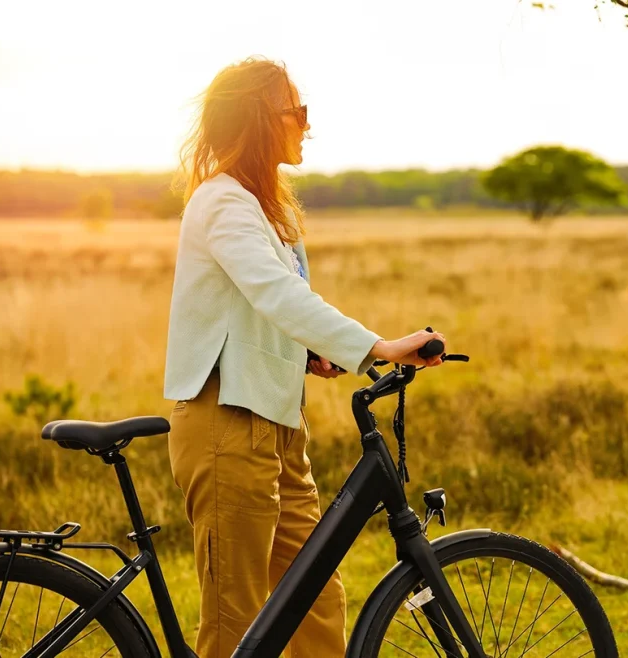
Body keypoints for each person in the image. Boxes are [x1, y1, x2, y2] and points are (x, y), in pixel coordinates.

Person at [163, 57, 443, 658]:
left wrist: (311, 352)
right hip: (226, 426)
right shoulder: (222, 202)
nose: (307, 125)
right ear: (262, 119)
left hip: (279, 424)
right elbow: (275, 291)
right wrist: (377, 347)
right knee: (234, 620)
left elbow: (275, 310)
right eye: (298, 112)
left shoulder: (273, 209)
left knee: (317, 598)